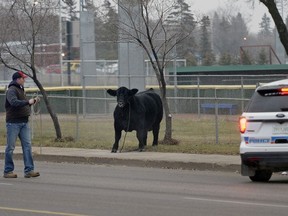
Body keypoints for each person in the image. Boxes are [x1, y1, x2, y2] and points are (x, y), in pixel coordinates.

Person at [3, 71, 40, 178]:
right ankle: (8, 171)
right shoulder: (11, 90)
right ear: (17, 79)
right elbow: (14, 102)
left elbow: (23, 104)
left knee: (27, 146)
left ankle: (29, 170)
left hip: (24, 122)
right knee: (10, 147)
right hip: (13, 123)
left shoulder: (21, 89)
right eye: (23, 78)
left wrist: (32, 102)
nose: (24, 80)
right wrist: (28, 102)